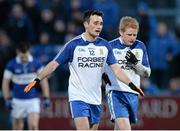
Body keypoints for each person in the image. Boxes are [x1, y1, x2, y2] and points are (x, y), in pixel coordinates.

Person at [24, 10, 144, 130]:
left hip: (96, 98)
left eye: (101, 24)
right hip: (78, 96)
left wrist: (131, 84)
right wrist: (37, 79)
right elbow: (54, 64)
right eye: (95, 23)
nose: (99, 27)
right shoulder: (73, 45)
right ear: (86, 24)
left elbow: (117, 70)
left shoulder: (105, 46)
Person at [103, 16, 151, 130]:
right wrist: (106, 81)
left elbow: (147, 73)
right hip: (116, 92)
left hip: (132, 93)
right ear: (121, 32)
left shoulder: (140, 46)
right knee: (125, 128)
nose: (132, 38)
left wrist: (136, 64)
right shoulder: (110, 46)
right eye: (129, 35)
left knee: (119, 128)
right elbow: (101, 69)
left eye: (135, 35)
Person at [2, 43, 50, 130]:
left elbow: (44, 80)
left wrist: (46, 96)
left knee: (33, 126)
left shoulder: (36, 63)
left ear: (29, 52)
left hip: (33, 100)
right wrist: (7, 98)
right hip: (17, 100)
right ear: (17, 52)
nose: (24, 59)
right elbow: (5, 83)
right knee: (17, 127)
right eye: (22, 57)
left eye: (25, 56)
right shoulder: (11, 65)